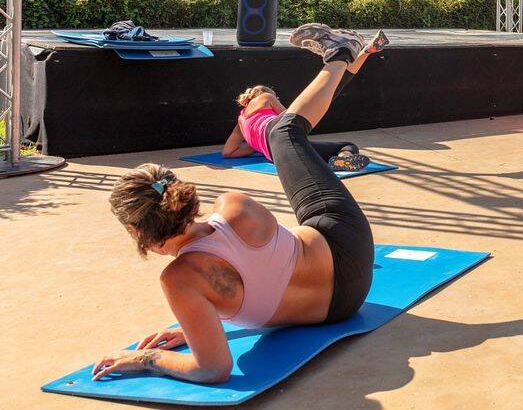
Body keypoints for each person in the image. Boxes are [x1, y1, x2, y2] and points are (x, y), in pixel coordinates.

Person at [92, 27, 377, 383]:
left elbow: (213, 368)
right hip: (351, 249)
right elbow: (263, 269)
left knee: (283, 134)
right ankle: (343, 65)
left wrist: (146, 358)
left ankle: (341, 55)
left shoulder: (182, 280)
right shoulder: (233, 205)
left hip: (343, 305)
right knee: (285, 134)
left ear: (136, 230)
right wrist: (198, 325)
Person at [222, 25, 388, 172]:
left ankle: (364, 51)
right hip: (278, 134)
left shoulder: (241, 123)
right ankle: (345, 51)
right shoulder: (266, 97)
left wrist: (255, 145)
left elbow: (228, 152)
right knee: (329, 98)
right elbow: (290, 115)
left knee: (333, 103)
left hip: (276, 153)